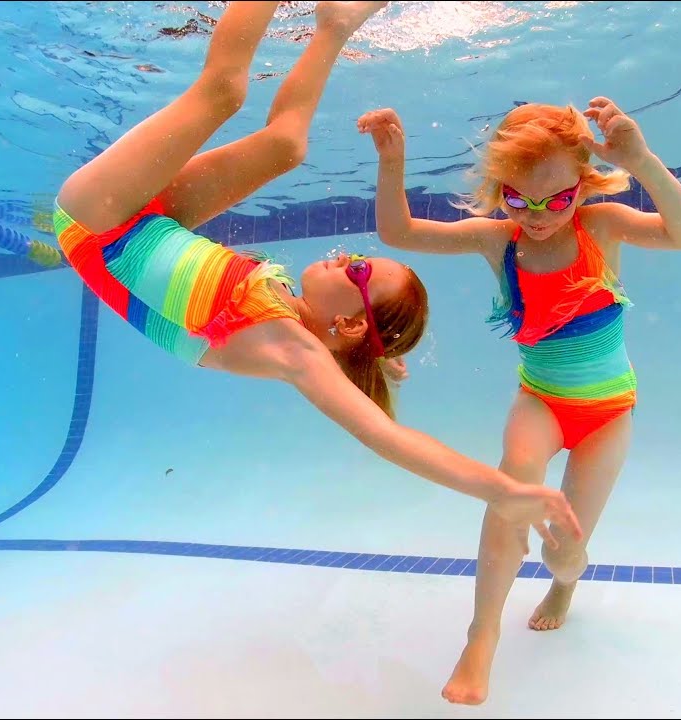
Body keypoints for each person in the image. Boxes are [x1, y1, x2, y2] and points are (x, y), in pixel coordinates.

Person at [52, 1, 583, 544]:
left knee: (223, 92)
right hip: (146, 221)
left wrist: (501, 489)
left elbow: (383, 434)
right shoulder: (310, 323)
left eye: (357, 270)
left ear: (351, 323)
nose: (344, 258)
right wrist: (374, 353)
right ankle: (335, 25)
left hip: (97, 223)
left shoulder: (292, 348)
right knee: (286, 146)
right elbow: (355, 340)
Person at [358, 99, 681, 704]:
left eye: (558, 198)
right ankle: (481, 635)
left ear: (583, 183)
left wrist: (643, 162)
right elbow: (400, 233)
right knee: (510, 492)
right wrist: (393, 162)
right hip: (540, 402)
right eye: (518, 200)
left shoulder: (601, 226)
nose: (539, 216)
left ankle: (566, 585)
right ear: (500, 190)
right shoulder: (499, 242)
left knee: (564, 550)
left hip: (608, 415)